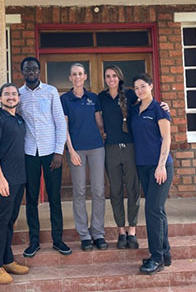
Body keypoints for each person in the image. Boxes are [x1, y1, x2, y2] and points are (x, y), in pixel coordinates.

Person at [17, 57, 71, 257]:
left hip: (50, 153)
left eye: (34, 68)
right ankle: (34, 242)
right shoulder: (18, 94)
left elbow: (60, 122)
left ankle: (58, 240)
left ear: (39, 71)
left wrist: (59, 151)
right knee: (31, 198)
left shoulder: (50, 92)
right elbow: (9, 113)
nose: (31, 71)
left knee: (54, 197)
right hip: (29, 152)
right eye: (27, 69)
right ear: (22, 72)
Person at [0, 83, 29, 285]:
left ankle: (7, 260)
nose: (11, 97)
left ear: (18, 98)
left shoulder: (19, 119)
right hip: (3, 178)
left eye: (14, 94)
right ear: (0, 98)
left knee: (10, 219)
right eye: (7, 94)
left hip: (19, 178)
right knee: (1, 220)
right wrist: (0, 177)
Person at [60, 63, 107, 252]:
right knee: (79, 191)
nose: (78, 77)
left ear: (85, 76)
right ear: (70, 78)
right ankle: (84, 235)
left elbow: (100, 123)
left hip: (96, 148)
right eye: (74, 74)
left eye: (80, 74)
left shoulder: (93, 97)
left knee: (98, 190)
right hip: (77, 150)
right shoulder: (65, 99)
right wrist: (70, 151)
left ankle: (98, 233)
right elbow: (64, 127)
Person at [130, 73, 173, 274]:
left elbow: (166, 138)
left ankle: (156, 258)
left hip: (160, 167)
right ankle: (165, 253)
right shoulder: (135, 110)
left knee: (152, 210)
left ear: (151, 86)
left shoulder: (159, 110)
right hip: (143, 166)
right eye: (136, 88)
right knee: (159, 210)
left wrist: (161, 165)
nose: (140, 90)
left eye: (143, 86)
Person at [99, 65, 140, 250]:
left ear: (120, 77)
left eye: (114, 76)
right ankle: (121, 231)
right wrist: (102, 131)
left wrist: (164, 105)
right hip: (111, 148)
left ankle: (132, 230)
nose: (111, 79)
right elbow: (97, 117)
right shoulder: (102, 97)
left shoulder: (131, 95)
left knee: (132, 189)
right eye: (108, 76)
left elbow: (147, 103)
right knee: (115, 190)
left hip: (130, 146)